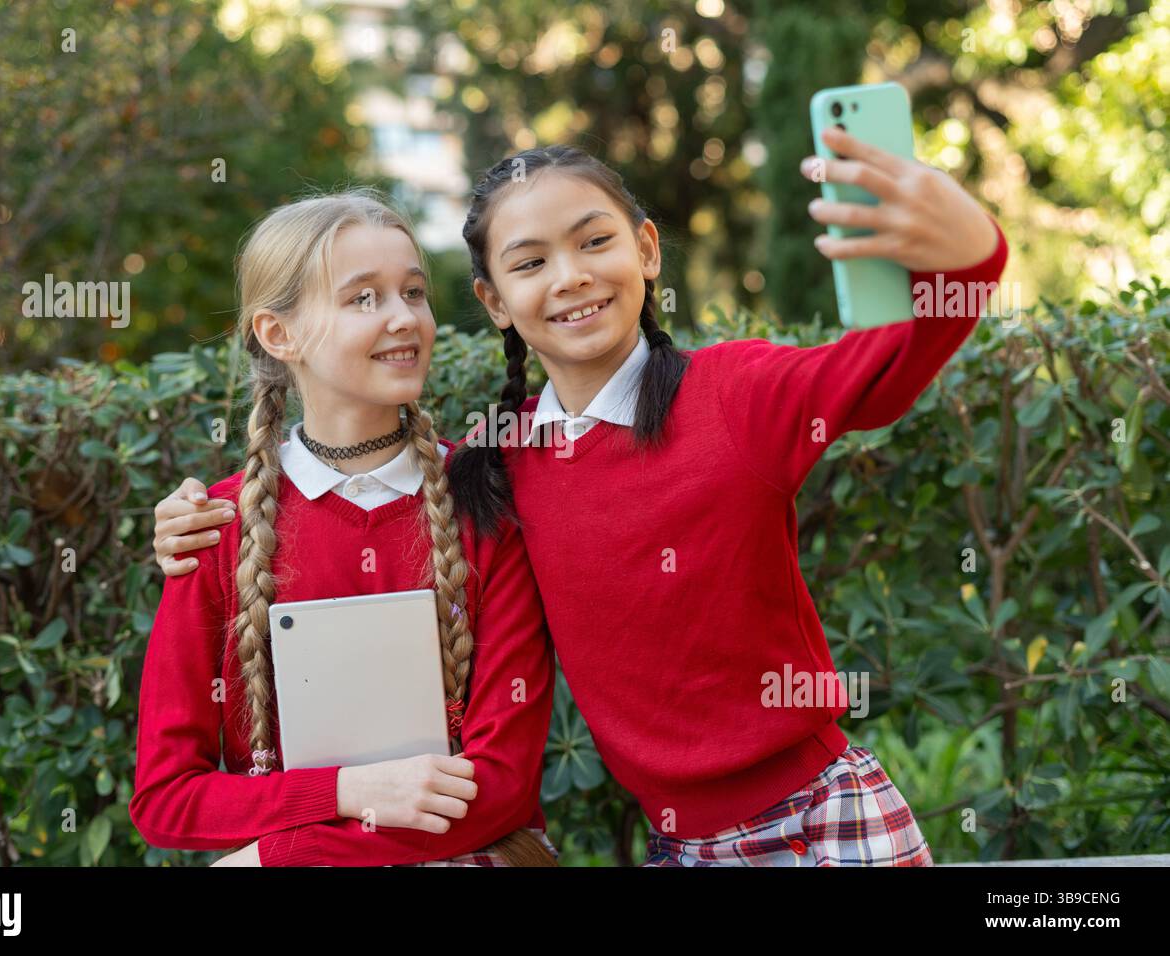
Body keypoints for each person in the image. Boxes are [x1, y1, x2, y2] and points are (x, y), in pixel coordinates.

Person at [150, 129, 1008, 865]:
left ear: (646, 248)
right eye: (530, 263)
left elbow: (891, 370)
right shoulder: (495, 466)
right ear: (491, 300)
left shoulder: (732, 394)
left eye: (594, 242)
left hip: (823, 825)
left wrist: (972, 248)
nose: (570, 278)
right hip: (678, 845)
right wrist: (193, 522)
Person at [129, 190, 557, 866]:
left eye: (413, 293)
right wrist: (349, 790)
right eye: (364, 299)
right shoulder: (215, 528)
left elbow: (500, 786)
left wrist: (273, 857)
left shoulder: (484, 504)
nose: (404, 319)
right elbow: (167, 797)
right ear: (279, 334)